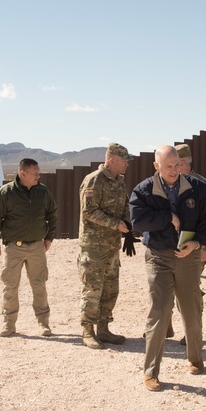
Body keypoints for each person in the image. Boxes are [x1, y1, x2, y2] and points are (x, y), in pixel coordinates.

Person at [129, 144, 206, 391]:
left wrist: (197, 243)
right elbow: (138, 221)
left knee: (192, 310)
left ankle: (196, 360)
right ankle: (151, 372)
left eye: (177, 165)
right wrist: (168, 217)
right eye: (168, 166)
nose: (173, 170)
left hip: (188, 258)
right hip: (158, 256)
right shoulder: (144, 190)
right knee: (159, 312)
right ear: (156, 166)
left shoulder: (197, 188)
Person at [0, 158, 58, 337]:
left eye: (38, 172)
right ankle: (9, 324)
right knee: (10, 286)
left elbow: (52, 214)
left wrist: (49, 237)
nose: (38, 176)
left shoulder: (43, 192)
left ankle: (44, 324)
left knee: (39, 285)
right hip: (14, 247)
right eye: (35, 173)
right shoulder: (6, 193)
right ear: (22, 174)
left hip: (37, 247)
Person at [77, 142, 134, 349]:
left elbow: (124, 205)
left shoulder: (119, 181)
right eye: (124, 160)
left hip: (112, 246)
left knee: (110, 288)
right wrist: (115, 223)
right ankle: (87, 331)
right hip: (93, 247)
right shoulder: (94, 180)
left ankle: (103, 329)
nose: (127, 164)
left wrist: (127, 224)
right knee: (93, 288)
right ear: (112, 161)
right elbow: (88, 212)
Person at [166, 142, 206, 344]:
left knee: (190, 290)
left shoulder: (200, 184)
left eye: (176, 164)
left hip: (193, 246)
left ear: (184, 163)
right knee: (166, 286)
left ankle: (192, 331)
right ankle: (165, 326)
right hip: (169, 246)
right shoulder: (168, 181)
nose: (173, 169)